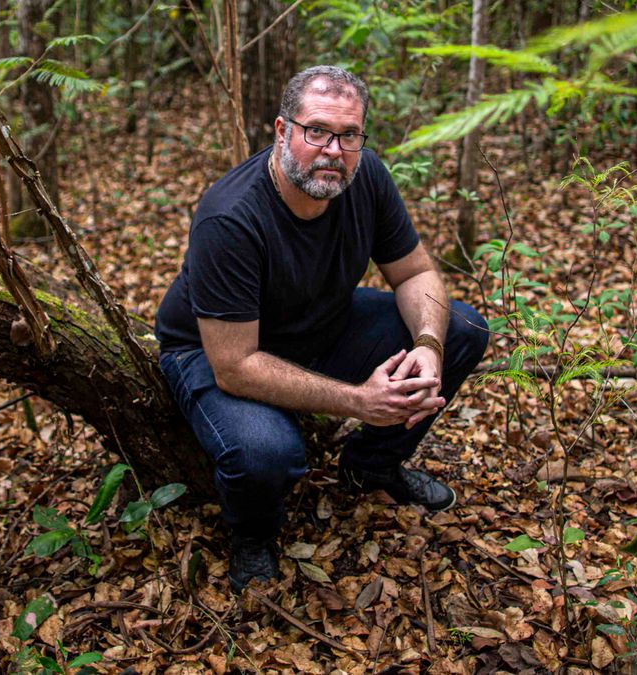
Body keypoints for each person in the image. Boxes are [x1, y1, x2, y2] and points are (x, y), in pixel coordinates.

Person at [155, 65, 488, 592]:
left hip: (319, 320)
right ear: (283, 131)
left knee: (462, 328)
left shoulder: (367, 178)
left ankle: (370, 467)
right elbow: (235, 366)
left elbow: (417, 273)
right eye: (317, 131)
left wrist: (427, 344)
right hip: (214, 350)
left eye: (349, 135)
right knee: (267, 453)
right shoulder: (231, 217)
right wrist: (359, 400)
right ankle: (253, 534)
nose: (333, 150)